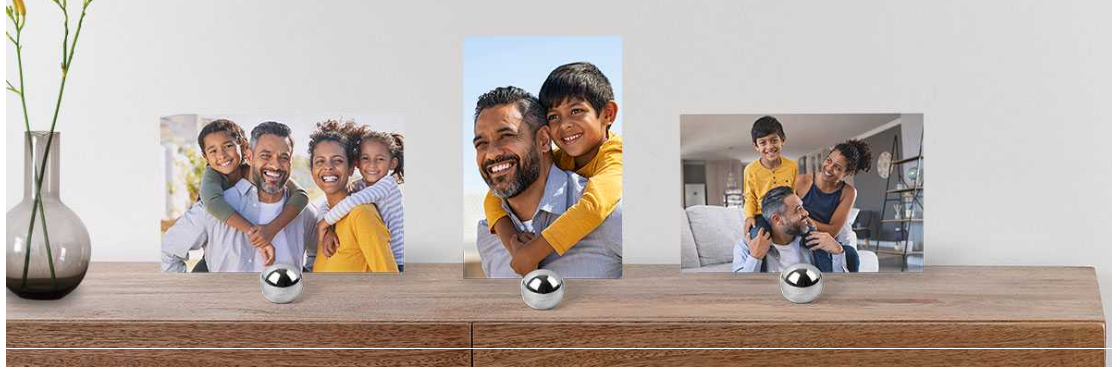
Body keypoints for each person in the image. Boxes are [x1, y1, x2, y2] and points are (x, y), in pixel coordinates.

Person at [482, 62, 623, 276]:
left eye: (576, 111)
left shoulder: (617, 158)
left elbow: (594, 207)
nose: (564, 124)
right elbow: (493, 197)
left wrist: (531, 253)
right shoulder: (561, 157)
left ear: (608, 114)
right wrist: (513, 243)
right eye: (554, 116)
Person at [162, 122, 318, 272]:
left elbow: (319, 255)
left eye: (284, 157)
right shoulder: (210, 208)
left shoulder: (304, 212)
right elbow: (167, 253)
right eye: (265, 155)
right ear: (249, 156)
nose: (275, 165)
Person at [195, 119, 309, 266]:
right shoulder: (212, 175)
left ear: (243, 146)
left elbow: (301, 195)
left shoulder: (257, 169)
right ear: (205, 157)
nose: (222, 155)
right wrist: (256, 235)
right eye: (213, 151)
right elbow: (213, 203)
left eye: (228, 146)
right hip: (213, 257)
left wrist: (271, 230)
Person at [307, 121, 397, 273]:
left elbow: (391, 281)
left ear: (350, 168)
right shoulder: (325, 223)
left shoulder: (361, 214)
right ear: (312, 170)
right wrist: (326, 227)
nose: (328, 167)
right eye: (320, 161)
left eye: (337, 160)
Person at [794, 139, 873, 272]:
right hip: (800, 235)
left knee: (851, 254)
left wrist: (805, 220)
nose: (829, 168)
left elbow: (833, 230)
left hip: (827, 238)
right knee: (821, 254)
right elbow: (791, 216)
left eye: (838, 168)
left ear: (846, 173)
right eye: (829, 160)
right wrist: (805, 224)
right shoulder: (801, 181)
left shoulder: (848, 192)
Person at [732, 186, 847, 273]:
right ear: (777, 219)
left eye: (802, 207)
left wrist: (838, 251)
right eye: (798, 209)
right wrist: (755, 258)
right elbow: (741, 290)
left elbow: (839, 286)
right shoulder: (745, 247)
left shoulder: (815, 243)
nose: (806, 213)